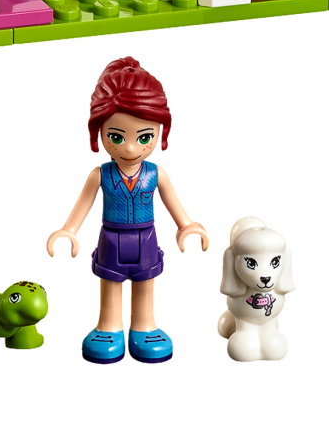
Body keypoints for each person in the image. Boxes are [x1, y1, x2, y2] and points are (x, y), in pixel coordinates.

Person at [47, 56, 208, 363]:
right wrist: (68, 230)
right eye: (117, 137)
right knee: (110, 283)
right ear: (99, 132)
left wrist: (186, 225)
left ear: (160, 131)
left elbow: (174, 205)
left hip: (146, 238)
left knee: (145, 283)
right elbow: (82, 206)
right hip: (111, 237)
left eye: (144, 137)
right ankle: (108, 326)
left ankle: (144, 327)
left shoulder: (156, 174)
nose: (131, 148)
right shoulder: (100, 175)